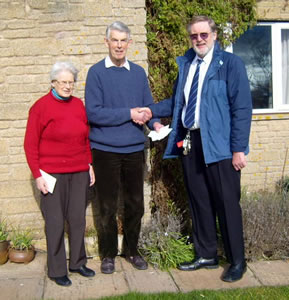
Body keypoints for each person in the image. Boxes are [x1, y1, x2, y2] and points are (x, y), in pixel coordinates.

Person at [142, 15, 252, 282]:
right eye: (194, 36)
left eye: (204, 35)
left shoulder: (230, 64)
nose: (199, 40)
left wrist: (239, 149)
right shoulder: (187, 64)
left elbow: (242, 108)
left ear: (214, 35)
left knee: (227, 204)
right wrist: (150, 110)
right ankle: (206, 255)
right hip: (191, 142)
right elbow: (178, 102)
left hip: (222, 146)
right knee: (199, 201)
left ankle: (237, 261)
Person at [85, 21, 161, 274]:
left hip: (133, 149)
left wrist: (156, 123)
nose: (119, 45)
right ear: (106, 42)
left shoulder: (138, 73)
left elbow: (148, 106)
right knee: (106, 205)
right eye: (114, 40)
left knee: (135, 204)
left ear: (130, 43)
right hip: (105, 150)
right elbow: (94, 114)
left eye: (123, 40)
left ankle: (131, 250)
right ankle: (108, 254)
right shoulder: (96, 73)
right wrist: (129, 113)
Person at [24, 61, 96, 287]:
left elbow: (85, 138)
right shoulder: (40, 107)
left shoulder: (78, 105)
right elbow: (30, 144)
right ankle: (56, 270)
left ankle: (77, 262)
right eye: (63, 82)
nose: (67, 86)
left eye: (71, 82)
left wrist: (89, 164)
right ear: (53, 83)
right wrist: (37, 175)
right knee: (55, 222)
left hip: (78, 171)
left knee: (77, 220)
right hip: (51, 174)